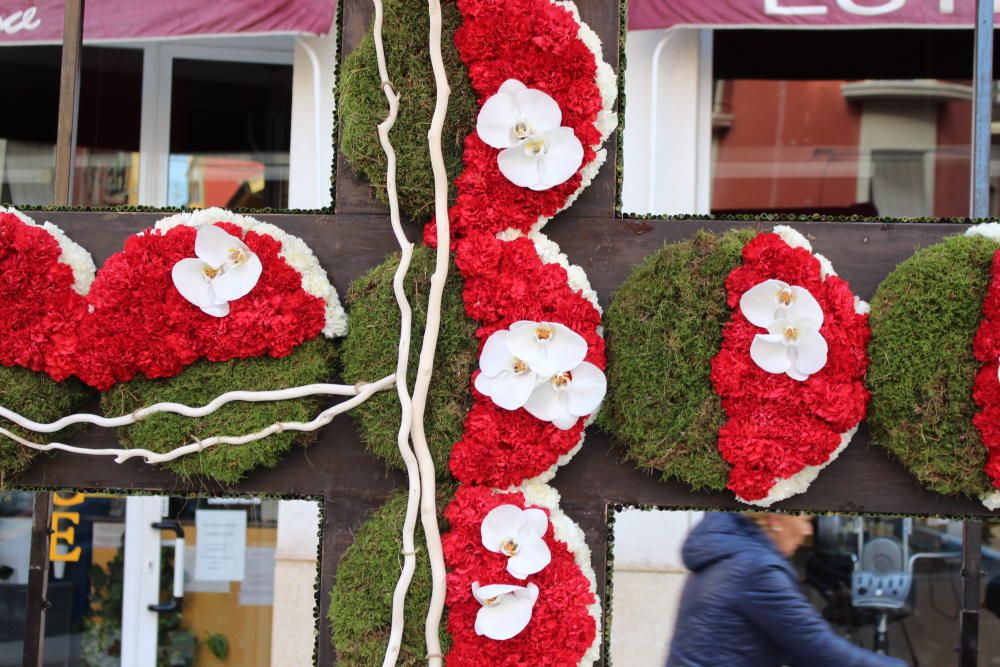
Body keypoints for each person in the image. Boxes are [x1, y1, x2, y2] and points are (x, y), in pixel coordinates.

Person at [666, 512, 906, 667]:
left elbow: (796, 649)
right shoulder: (755, 569)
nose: (808, 531)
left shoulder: (729, 556)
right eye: (804, 520)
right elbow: (818, 646)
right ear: (776, 520)